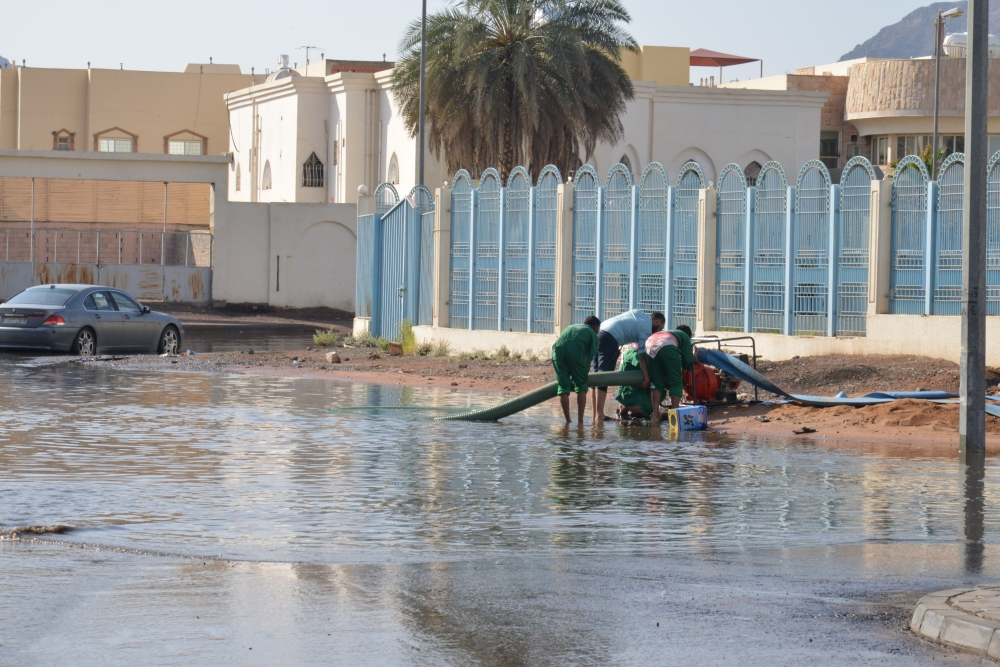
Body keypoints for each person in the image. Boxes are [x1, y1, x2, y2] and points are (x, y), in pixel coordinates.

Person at [591, 309, 666, 423]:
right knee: (603, 378)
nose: (658, 332)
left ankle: (595, 415)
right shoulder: (646, 328)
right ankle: (600, 415)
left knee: (595, 377)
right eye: (660, 328)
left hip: (599, 332)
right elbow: (642, 356)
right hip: (610, 337)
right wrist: (646, 378)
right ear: (658, 321)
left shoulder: (639, 313)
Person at [551, 316, 601, 424]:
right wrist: (583, 373)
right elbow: (589, 357)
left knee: (563, 387)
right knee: (581, 386)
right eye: (598, 329)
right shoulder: (592, 334)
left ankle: (568, 421)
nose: (598, 332)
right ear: (594, 327)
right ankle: (580, 422)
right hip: (575, 352)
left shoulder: (572, 327)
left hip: (557, 351)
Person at [646, 323, 695, 424]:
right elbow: (687, 359)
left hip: (649, 344)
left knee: (656, 382)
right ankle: (674, 415)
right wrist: (688, 367)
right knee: (676, 381)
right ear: (689, 335)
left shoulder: (669, 332)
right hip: (666, 345)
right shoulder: (685, 336)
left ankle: (655, 415)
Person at [614, 344, 654, 420]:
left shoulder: (630, 351)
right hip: (629, 391)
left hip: (635, 388)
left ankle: (635, 410)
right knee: (649, 408)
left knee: (660, 395)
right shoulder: (632, 353)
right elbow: (640, 362)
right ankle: (625, 407)